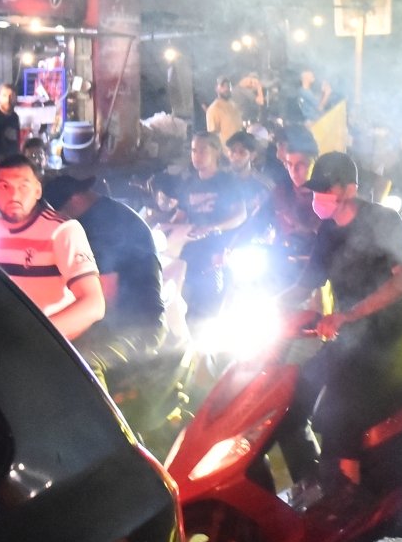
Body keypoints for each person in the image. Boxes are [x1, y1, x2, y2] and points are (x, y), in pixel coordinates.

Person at [279, 150, 402, 493]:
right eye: (316, 190)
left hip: (392, 337)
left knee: (338, 409)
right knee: (288, 401)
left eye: (326, 189)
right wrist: (270, 307)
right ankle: (311, 487)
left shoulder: (383, 220)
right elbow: (304, 284)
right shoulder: (327, 232)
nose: (319, 197)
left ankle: (348, 498)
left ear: (349, 189)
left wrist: (348, 315)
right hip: (349, 339)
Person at [48, 172, 168, 379]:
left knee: (84, 362)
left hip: (139, 328)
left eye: (59, 214)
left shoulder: (101, 226)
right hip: (124, 322)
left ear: (75, 199)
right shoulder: (105, 213)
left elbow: (105, 297)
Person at [0, 156, 105, 339]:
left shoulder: (62, 230)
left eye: (23, 187)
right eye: (5, 187)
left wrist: (35, 335)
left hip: (44, 345)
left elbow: (93, 304)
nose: (14, 196)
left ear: (37, 190)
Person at [175, 132, 255, 321]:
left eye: (203, 150)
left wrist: (213, 228)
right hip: (190, 255)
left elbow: (240, 215)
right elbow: (181, 216)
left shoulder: (228, 182)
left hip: (218, 254)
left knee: (210, 310)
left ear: (217, 152)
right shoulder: (188, 183)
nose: (197, 155)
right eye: (194, 150)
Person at [205, 78, 244, 146]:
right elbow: (213, 136)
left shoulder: (234, 105)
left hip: (239, 148)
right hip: (225, 150)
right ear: (216, 89)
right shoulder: (214, 109)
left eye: (228, 86)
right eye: (223, 86)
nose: (226, 89)